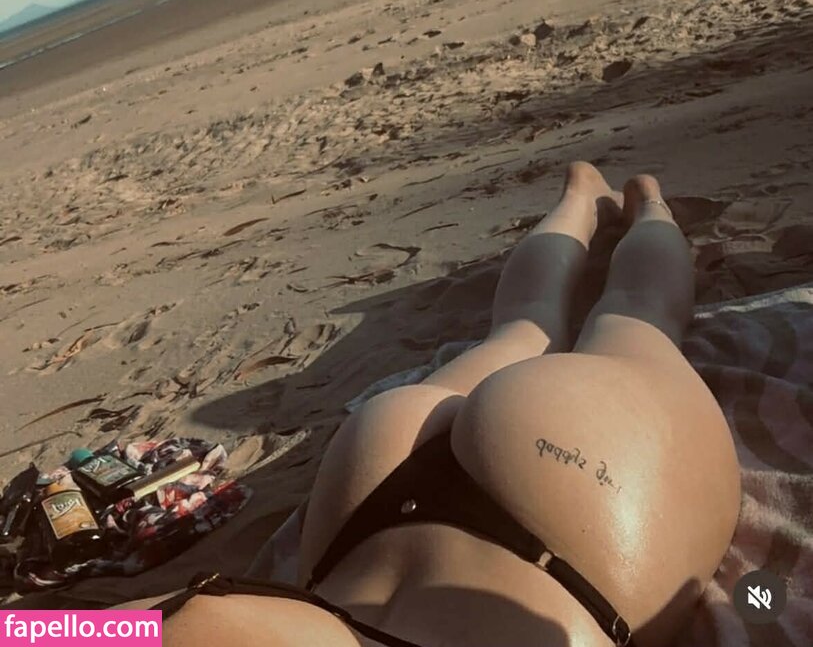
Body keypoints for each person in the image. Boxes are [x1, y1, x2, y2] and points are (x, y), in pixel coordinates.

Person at [161, 163, 741, 647]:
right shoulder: (105, 635)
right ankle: (601, 199)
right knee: (545, 325)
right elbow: (116, 630)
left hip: (562, 547)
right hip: (374, 490)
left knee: (624, 316)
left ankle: (630, 201)